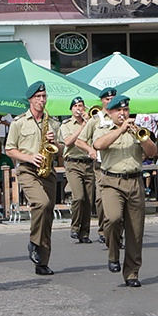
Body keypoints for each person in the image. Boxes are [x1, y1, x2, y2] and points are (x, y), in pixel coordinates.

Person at [93, 95, 158, 286]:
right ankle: (113, 254)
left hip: (135, 181)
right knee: (112, 219)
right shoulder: (102, 128)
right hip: (112, 181)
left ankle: (132, 273)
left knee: (136, 231)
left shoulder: (137, 130)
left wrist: (142, 137)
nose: (123, 114)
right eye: (119, 111)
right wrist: (121, 130)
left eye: (126, 110)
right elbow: (99, 145)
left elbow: (153, 152)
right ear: (110, 113)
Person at [5, 81, 62, 276]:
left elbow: (62, 149)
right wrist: (29, 157)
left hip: (48, 170)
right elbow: (9, 149)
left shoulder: (53, 121)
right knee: (41, 203)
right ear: (30, 99)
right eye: (38, 97)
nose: (42, 100)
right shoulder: (19, 122)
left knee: (47, 216)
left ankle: (42, 262)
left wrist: (56, 143)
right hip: (28, 169)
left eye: (44, 96)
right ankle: (34, 243)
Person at [79, 87, 117, 244]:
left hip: (117, 164)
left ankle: (115, 232)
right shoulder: (95, 120)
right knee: (101, 200)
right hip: (101, 166)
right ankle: (103, 229)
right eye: (107, 99)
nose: (110, 101)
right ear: (102, 101)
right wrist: (90, 150)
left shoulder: (120, 117)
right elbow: (79, 140)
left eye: (112, 98)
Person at [60, 97, 95, 243]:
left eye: (80, 106)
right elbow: (68, 141)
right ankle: (74, 227)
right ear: (71, 109)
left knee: (89, 199)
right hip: (73, 163)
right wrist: (83, 127)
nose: (78, 109)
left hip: (88, 163)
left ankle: (84, 233)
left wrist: (90, 123)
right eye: (75, 106)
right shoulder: (66, 125)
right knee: (78, 196)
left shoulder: (91, 123)